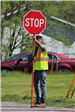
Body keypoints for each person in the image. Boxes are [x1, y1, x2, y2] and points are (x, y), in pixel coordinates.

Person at [24, 34, 48, 107]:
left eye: (39, 38)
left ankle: (43, 102)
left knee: (42, 85)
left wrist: (35, 40)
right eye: (36, 38)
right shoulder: (34, 49)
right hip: (36, 70)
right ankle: (38, 101)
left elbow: (41, 46)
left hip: (42, 69)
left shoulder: (43, 48)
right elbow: (31, 58)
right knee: (35, 86)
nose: (37, 39)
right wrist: (26, 66)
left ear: (41, 39)